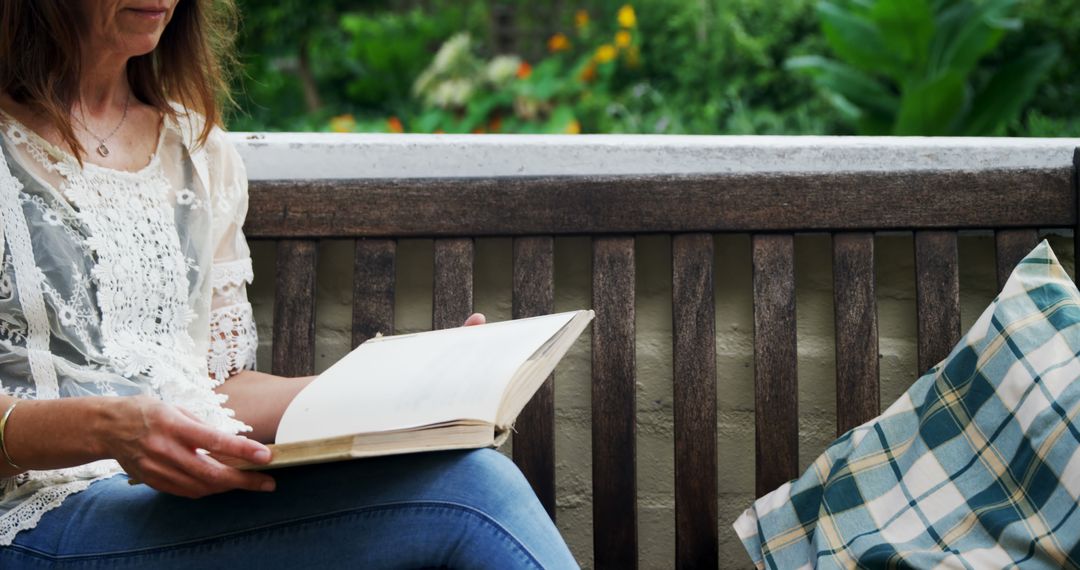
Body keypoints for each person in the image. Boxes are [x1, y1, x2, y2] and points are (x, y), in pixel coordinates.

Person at [0, 1, 579, 568]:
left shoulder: (197, 150)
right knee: (469, 496)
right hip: (34, 515)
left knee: (467, 478)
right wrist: (107, 427)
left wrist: (402, 386)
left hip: (168, 503)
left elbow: (215, 387)